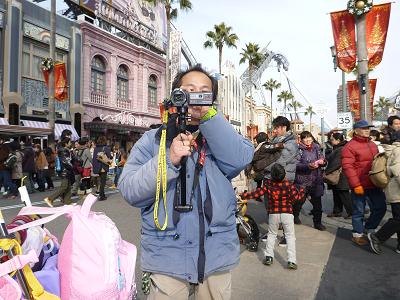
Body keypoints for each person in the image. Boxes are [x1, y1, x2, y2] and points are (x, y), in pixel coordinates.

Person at [118, 65, 254, 299]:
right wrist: (168, 160)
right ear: (175, 96)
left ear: (212, 100)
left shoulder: (219, 138)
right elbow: (130, 189)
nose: (196, 97)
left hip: (216, 256)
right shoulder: (153, 140)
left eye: (204, 92)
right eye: (188, 90)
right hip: (166, 257)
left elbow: (240, 159)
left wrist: (211, 118)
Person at [241, 164, 305, 270]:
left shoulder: (268, 184)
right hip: (287, 214)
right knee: (290, 236)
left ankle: (269, 257)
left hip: (273, 214)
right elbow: (297, 197)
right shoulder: (289, 185)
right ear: (284, 175)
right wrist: (302, 191)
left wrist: (243, 195)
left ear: (271, 175)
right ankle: (291, 260)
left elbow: (257, 193)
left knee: (271, 234)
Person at [342, 120, 387, 246]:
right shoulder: (349, 147)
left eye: (368, 128)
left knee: (381, 208)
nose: (367, 130)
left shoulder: (372, 144)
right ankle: (357, 234)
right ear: (356, 131)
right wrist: (356, 185)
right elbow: (348, 167)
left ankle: (368, 228)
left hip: (374, 183)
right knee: (359, 211)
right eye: (364, 128)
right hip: (359, 184)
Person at [367, 130, 400, 254]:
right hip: (397, 191)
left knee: (398, 218)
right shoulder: (399, 151)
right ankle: (378, 237)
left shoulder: (394, 149)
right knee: (398, 219)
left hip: (395, 190)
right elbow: (398, 171)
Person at [294, 131, 326, 230]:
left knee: (317, 204)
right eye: (305, 138)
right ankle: (295, 215)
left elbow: (323, 159)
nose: (308, 140)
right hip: (303, 181)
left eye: (309, 137)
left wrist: (323, 162)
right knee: (299, 201)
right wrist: (308, 166)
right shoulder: (299, 150)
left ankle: (317, 223)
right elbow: (296, 164)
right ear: (301, 140)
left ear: (312, 138)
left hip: (316, 180)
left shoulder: (317, 147)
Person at [325, 132, 353, 219]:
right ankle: (337, 211)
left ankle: (352, 213)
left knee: (344, 195)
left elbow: (336, 163)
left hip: (341, 175)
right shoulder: (336, 148)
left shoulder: (341, 149)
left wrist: (326, 172)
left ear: (338, 140)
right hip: (337, 175)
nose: (331, 141)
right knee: (336, 194)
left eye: (332, 139)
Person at [44, 138, 74, 207]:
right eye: (69, 142)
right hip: (65, 171)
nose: (70, 143)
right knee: (64, 187)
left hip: (66, 171)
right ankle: (50, 198)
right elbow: (66, 162)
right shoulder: (64, 151)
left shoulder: (65, 150)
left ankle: (67, 202)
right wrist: (72, 166)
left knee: (68, 186)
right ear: (66, 144)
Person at [92, 136, 111, 201]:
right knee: (103, 182)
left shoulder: (95, 148)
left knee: (100, 181)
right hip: (103, 166)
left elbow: (94, 158)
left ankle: (101, 194)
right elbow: (109, 156)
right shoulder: (106, 148)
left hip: (97, 166)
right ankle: (101, 195)